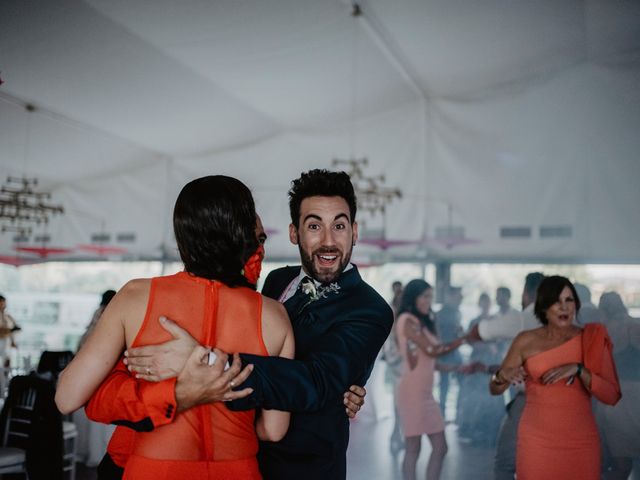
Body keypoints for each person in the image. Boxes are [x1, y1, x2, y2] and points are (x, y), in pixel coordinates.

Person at [83, 169, 393, 480]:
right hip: (244, 454)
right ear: (294, 233)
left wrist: (207, 360)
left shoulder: (371, 308)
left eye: (339, 226)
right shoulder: (276, 280)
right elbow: (252, 338)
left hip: (301, 468)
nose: (328, 241)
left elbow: (316, 381)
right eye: (314, 226)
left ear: (354, 231)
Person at [56, 175, 295, 479]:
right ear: (241, 234)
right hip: (238, 469)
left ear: (183, 233)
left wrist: (170, 394)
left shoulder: (135, 297)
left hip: (155, 468)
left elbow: (67, 397)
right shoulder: (275, 316)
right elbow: (273, 430)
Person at [489, 275, 621, 480]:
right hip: (536, 439)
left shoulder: (592, 337)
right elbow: (494, 389)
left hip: (581, 441)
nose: (564, 307)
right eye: (556, 301)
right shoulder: (526, 340)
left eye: (569, 300)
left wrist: (579, 370)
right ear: (543, 307)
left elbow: (611, 395)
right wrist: (501, 375)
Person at [466, 271, 544, 480]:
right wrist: (490, 368)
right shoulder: (563, 323)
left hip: (529, 400)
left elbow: (479, 332)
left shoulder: (522, 318)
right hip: (562, 401)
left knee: (505, 464)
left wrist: (466, 337)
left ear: (527, 293)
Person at [395, 279, 464, 480]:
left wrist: (455, 367)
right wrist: (465, 339)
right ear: (413, 297)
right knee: (413, 448)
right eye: (424, 296)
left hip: (425, 393)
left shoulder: (423, 322)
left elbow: (429, 361)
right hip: (412, 393)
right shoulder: (407, 320)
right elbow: (433, 350)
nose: (429, 301)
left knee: (440, 447)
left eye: (431, 297)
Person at [596, 292, 640, 479]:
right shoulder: (636, 325)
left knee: (620, 465)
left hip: (617, 399)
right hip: (636, 397)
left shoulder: (606, 331)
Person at [381, 280, 405, 455]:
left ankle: (398, 433)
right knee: (398, 399)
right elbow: (390, 336)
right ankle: (396, 433)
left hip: (399, 358)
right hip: (397, 358)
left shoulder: (402, 312)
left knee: (401, 399)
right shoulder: (392, 310)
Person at [435, 286, 464, 418]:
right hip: (444, 353)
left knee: (461, 382)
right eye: (458, 295)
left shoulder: (457, 312)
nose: (460, 298)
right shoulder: (440, 314)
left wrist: (459, 333)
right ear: (450, 296)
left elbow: (458, 333)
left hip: (455, 353)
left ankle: (458, 414)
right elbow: (437, 335)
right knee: (444, 385)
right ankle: (442, 414)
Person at [0, 294, 19, 368]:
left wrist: (13, 341)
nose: (3, 305)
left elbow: (13, 327)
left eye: (4, 303)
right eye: (1, 303)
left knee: (7, 361)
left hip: (6, 341)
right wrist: (9, 330)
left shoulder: (7, 316)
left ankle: (5, 378)